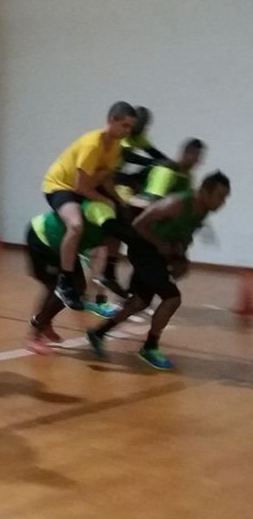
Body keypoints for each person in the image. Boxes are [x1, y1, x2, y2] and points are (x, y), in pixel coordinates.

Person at [86, 171, 231, 370]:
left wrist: (181, 257)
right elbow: (137, 226)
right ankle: (150, 347)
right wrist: (160, 245)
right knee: (172, 298)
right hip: (143, 250)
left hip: (156, 254)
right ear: (205, 192)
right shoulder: (177, 203)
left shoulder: (203, 210)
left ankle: (98, 333)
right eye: (220, 196)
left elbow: (183, 235)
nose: (223, 203)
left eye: (225, 198)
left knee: (138, 302)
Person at [41, 101, 137, 310]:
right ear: (112, 121)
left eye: (130, 127)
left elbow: (105, 178)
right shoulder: (92, 144)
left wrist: (118, 201)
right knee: (75, 225)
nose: (127, 131)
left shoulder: (116, 147)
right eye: (125, 126)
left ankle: (108, 272)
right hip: (60, 186)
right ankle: (65, 280)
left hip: (82, 188)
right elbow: (80, 186)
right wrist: (105, 200)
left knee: (118, 219)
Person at [24, 201, 139, 354]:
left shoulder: (116, 231)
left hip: (63, 248)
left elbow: (102, 252)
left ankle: (43, 321)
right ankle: (35, 333)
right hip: (43, 238)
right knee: (56, 289)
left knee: (75, 288)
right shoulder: (102, 210)